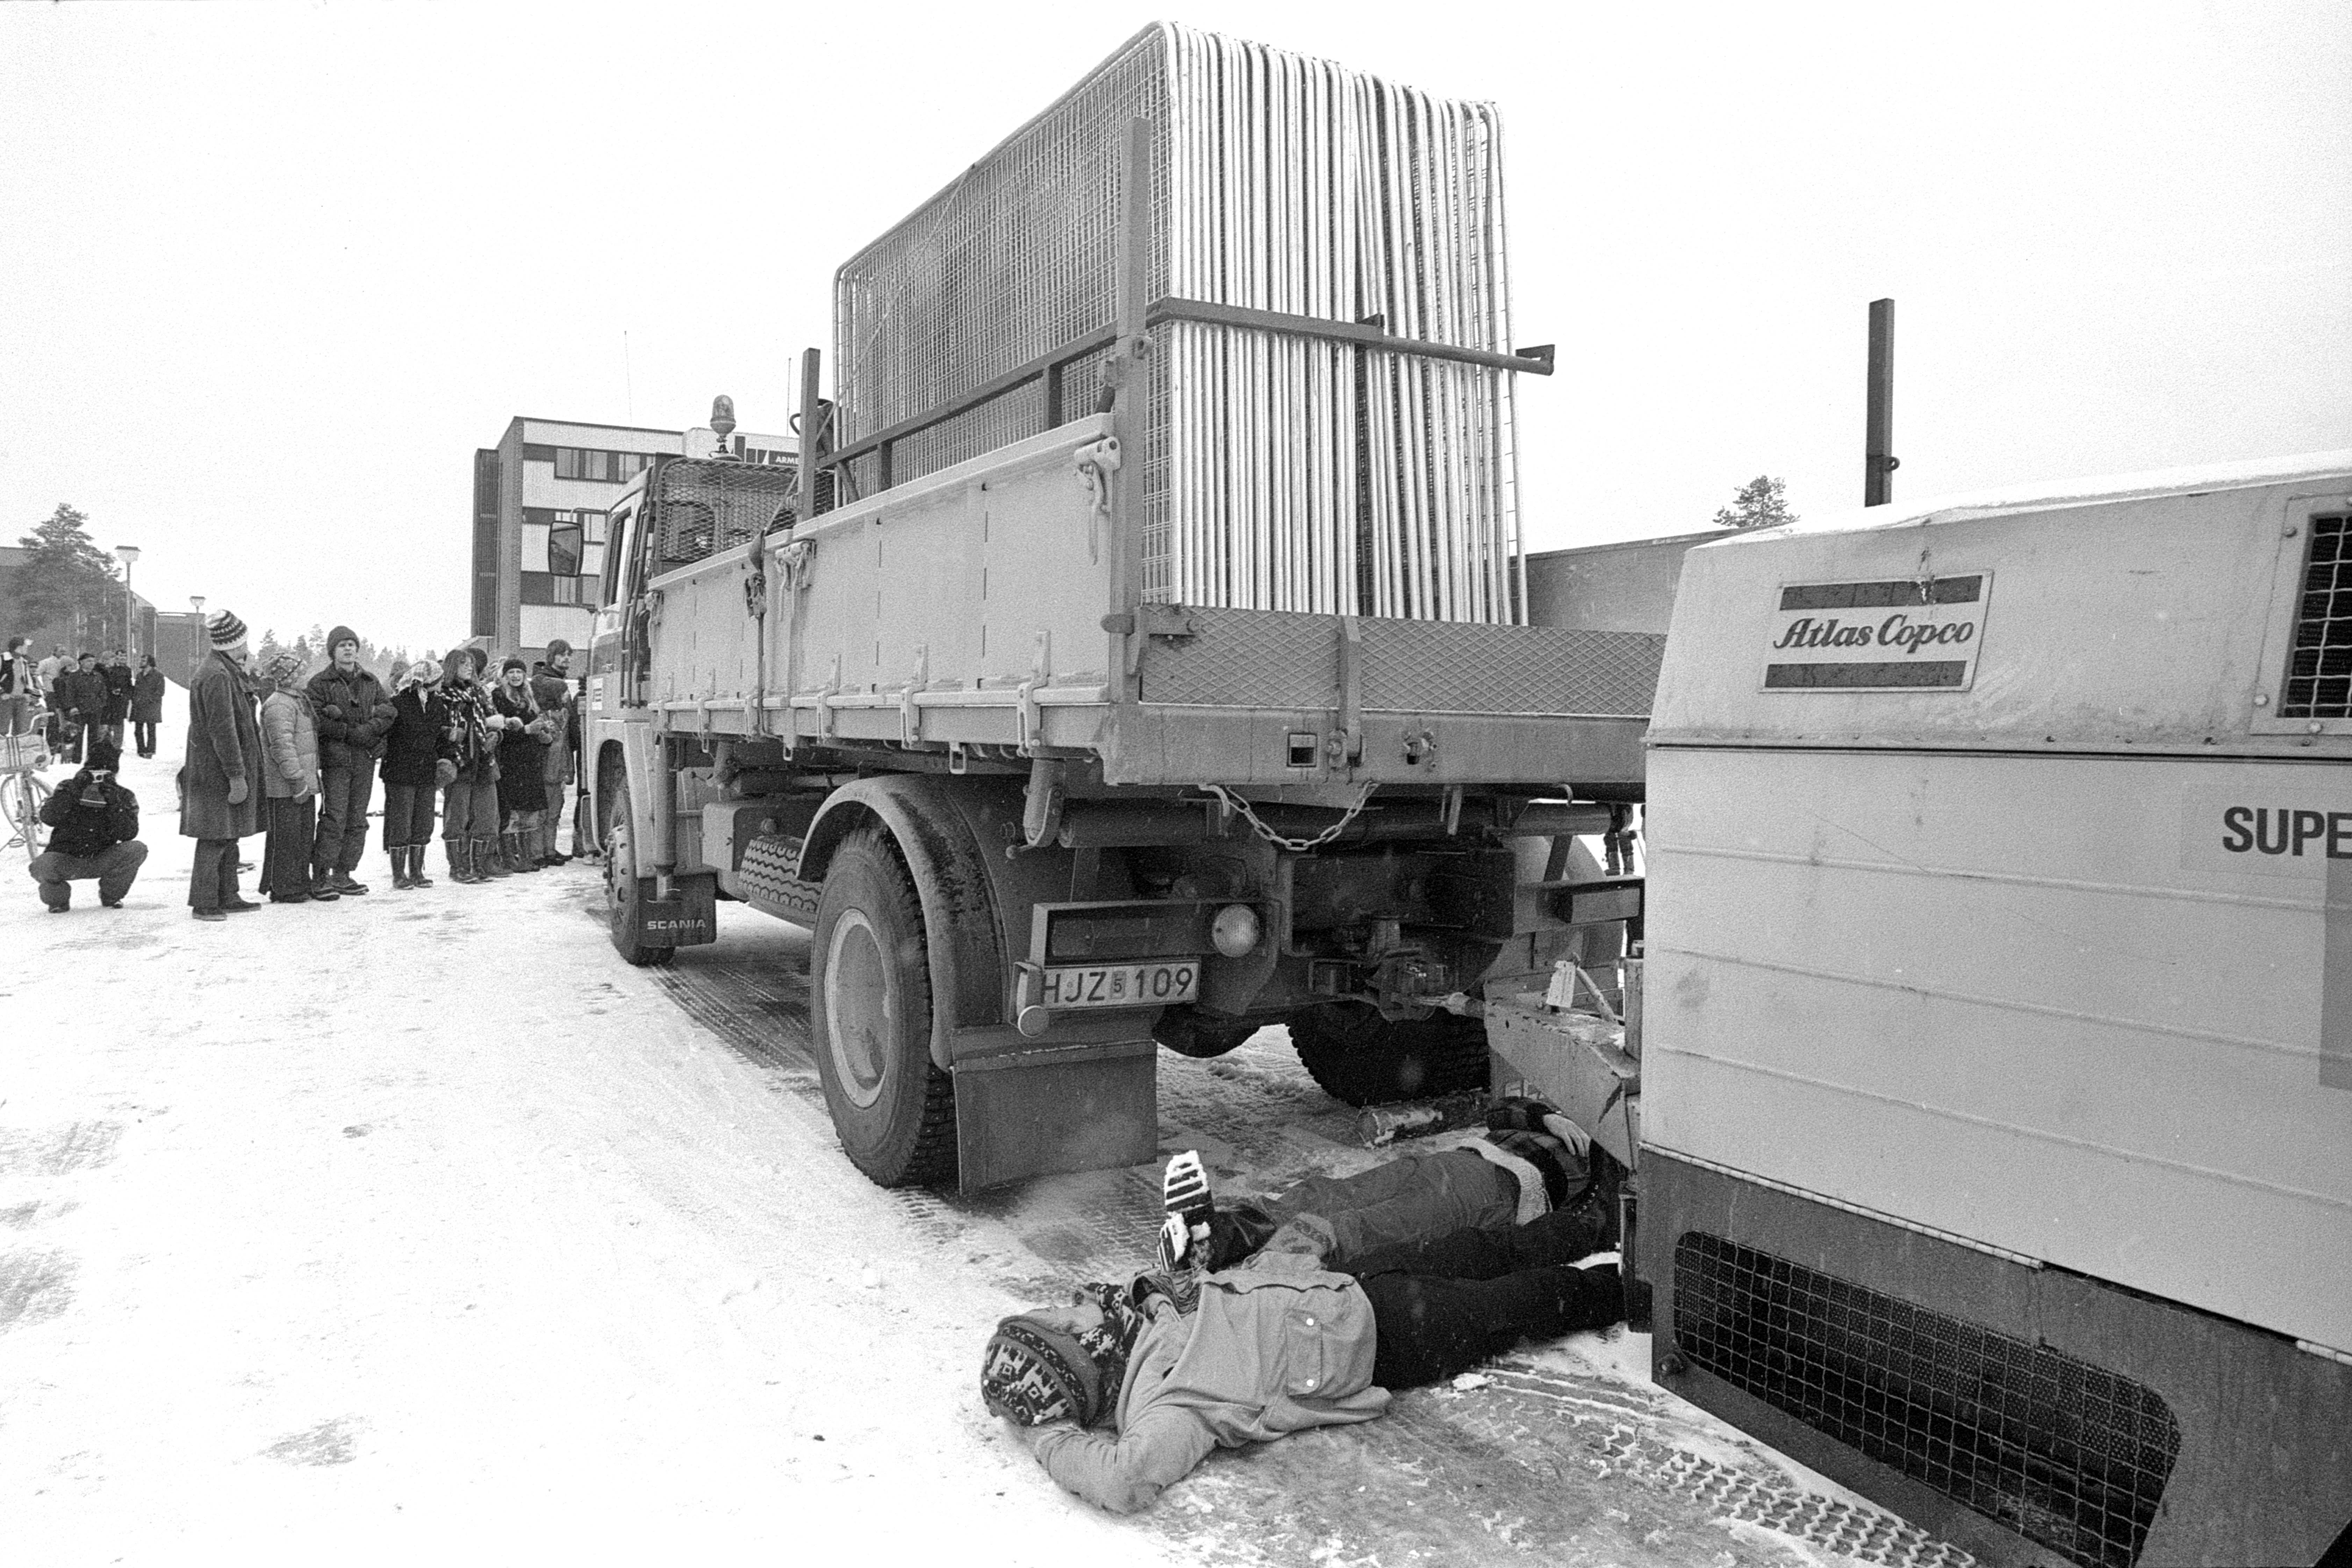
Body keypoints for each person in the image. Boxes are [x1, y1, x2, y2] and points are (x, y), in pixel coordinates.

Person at [984, 1161, 1623, 1515]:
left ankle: (1597, 1226)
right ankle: (1629, 1295)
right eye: (1064, 1326)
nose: (1074, 1309)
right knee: (1515, 1303)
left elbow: (1177, 1284)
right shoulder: (1168, 1402)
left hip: (1341, 1282)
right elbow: (1125, 1480)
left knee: (1485, 1248)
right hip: (1381, 1339)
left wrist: (1195, 1245)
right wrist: (1048, 1438)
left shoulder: (1144, 1314)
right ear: (1078, 1364)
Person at [1158, 1100, 1606, 1277]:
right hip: (1454, 1162)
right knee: (1329, 1192)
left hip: (1492, 1195)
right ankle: (1221, 1234)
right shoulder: (1587, 1109)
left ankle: (1271, 1268)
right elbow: (1498, 1112)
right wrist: (1545, 1115)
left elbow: (1597, 1224)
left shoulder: (1618, 1167)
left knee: (1368, 1227)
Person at [180, 609, 264, 922]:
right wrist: (237, 775)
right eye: (245, 641)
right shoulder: (217, 675)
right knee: (215, 835)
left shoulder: (223, 670)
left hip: (219, 769)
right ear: (234, 643)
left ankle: (228, 895)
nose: (248, 648)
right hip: (217, 771)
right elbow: (223, 730)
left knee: (229, 833)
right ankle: (204, 902)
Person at [305, 626, 395, 898]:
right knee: (334, 817)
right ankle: (321, 875)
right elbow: (316, 717)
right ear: (333, 651)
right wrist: (346, 732)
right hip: (336, 760)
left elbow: (388, 710)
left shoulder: (370, 681)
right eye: (342, 645)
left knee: (357, 819)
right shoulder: (320, 683)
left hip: (364, 759)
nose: (348, 649)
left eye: (352, 645)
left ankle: (344, 873)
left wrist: (369, 731)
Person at [27, 737, 146, 912]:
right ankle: (58, 901)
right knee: (42, 865)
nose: (99, 779)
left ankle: (111, 896)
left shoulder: (123, 795)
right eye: (95, 773)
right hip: (67, 857)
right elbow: (49, 818)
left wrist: (115, 804)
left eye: (105, 775)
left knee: (136, 849)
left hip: (103, 856)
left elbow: (129, 834)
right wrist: (75, 791)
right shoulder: (68, 788)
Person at [257, 651, 330, 905]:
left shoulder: (297, 700)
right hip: (286, 786)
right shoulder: (279, 704)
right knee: (286, 839)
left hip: (303, 783)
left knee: (302, 836)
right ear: (288, 677)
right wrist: (297, 780)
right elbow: (282, 746)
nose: (305, 677)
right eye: (300, 673)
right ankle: (283, 887)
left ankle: (299, 882)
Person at [438, 648, 509, 884]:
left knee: (488, 817)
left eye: (470, 664)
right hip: (460, 761)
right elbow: (439, 728)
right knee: (457, 818)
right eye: (463, 664)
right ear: (452, 667)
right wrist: (454, 734)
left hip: (484, 760)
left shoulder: (479, 692)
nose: (470, 667)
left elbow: (495, 720)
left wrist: (495, 735)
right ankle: (457, 867)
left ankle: (478, 864)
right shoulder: (443, 694)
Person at [379, 658, 449, 890]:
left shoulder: (438, 704)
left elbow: (438, 735)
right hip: (401, 772)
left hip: (426, 771)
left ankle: (417, 871)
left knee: (423, 823)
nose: (442, 683)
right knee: (401, 823)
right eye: (438, 679)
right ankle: (399, 874)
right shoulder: (398, 702)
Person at [490, 657, 549, 876]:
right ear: (504, 676)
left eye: (520, 672)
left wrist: (544, 732)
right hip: (510, 761)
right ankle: (509, 857)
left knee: (528, 810)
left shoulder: (529, 696)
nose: (516, 676)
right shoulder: (498, 697)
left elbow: (534, 725)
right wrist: (525, 731)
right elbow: (501, 732)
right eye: (511, 672)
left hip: (530, 762)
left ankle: (526, 855)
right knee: (511, 810)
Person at [529, 640, 576, 866]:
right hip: (546, 753)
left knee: (556, 806)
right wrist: (562, 688)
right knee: (544, 806)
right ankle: (538, 852)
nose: (566, 658)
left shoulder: (558, 682)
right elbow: (540, 683)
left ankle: (549, 849)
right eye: (562, 655)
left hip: (560, 752)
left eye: (569, 655)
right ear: (552, 657)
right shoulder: (542, 679)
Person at [51, 652, 107, 765]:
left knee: (94, 737)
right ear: (81, 663)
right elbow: (70, 694)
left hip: (94, 710)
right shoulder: (74, 677)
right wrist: (72, 707)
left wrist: (101, 704)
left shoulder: (98, 676)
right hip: (79, 711)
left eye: (93, 661)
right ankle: (76, 760)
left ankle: (92, 760)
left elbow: (103, 692)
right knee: (78, 736)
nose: (92, 664)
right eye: (89, 661)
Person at [130, 655, 167, 758]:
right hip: (139, 705)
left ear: (150, 663)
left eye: (144, 661)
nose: (141, 662)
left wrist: (149, 700)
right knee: (138, 729)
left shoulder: (158, 676)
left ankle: (150, 751)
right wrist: (136, 699)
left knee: (151, 729)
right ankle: (141, 750)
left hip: (152, 706)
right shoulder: (139, 675)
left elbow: (160, 692)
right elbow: (137, 689)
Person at [35, 644, 69, 751]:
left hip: (63, 694)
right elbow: (35, 674)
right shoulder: (46, 662)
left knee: (63, 719)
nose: (63, 654)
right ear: (55, 652)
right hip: (51, 693)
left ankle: (60, 743)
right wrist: (42, 689)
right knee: (53, 718)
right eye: (61, 651)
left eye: (65, 652)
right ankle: (52, 743)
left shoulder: (67, 663)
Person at [100, 648, 134, 747]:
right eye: (120, 656)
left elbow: (129, 685)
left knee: (119, 724)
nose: (123, 658)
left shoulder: (127, 670)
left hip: (120, 700)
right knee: (107, 723)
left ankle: (117, 745)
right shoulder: (106, 670)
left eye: (125, 656)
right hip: (107, 700)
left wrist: (126, 695)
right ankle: (107, 743)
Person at [0, 636, 33, 737]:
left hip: (21, 699)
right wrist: (2, 693)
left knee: (22, 729)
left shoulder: (24, 662)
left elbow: (28, 680)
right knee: (2, 728)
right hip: (6, 699)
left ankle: (18, 750)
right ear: (18, 648)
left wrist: (28, 693)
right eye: (25, 646)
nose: (26, 649)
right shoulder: (3, 659)